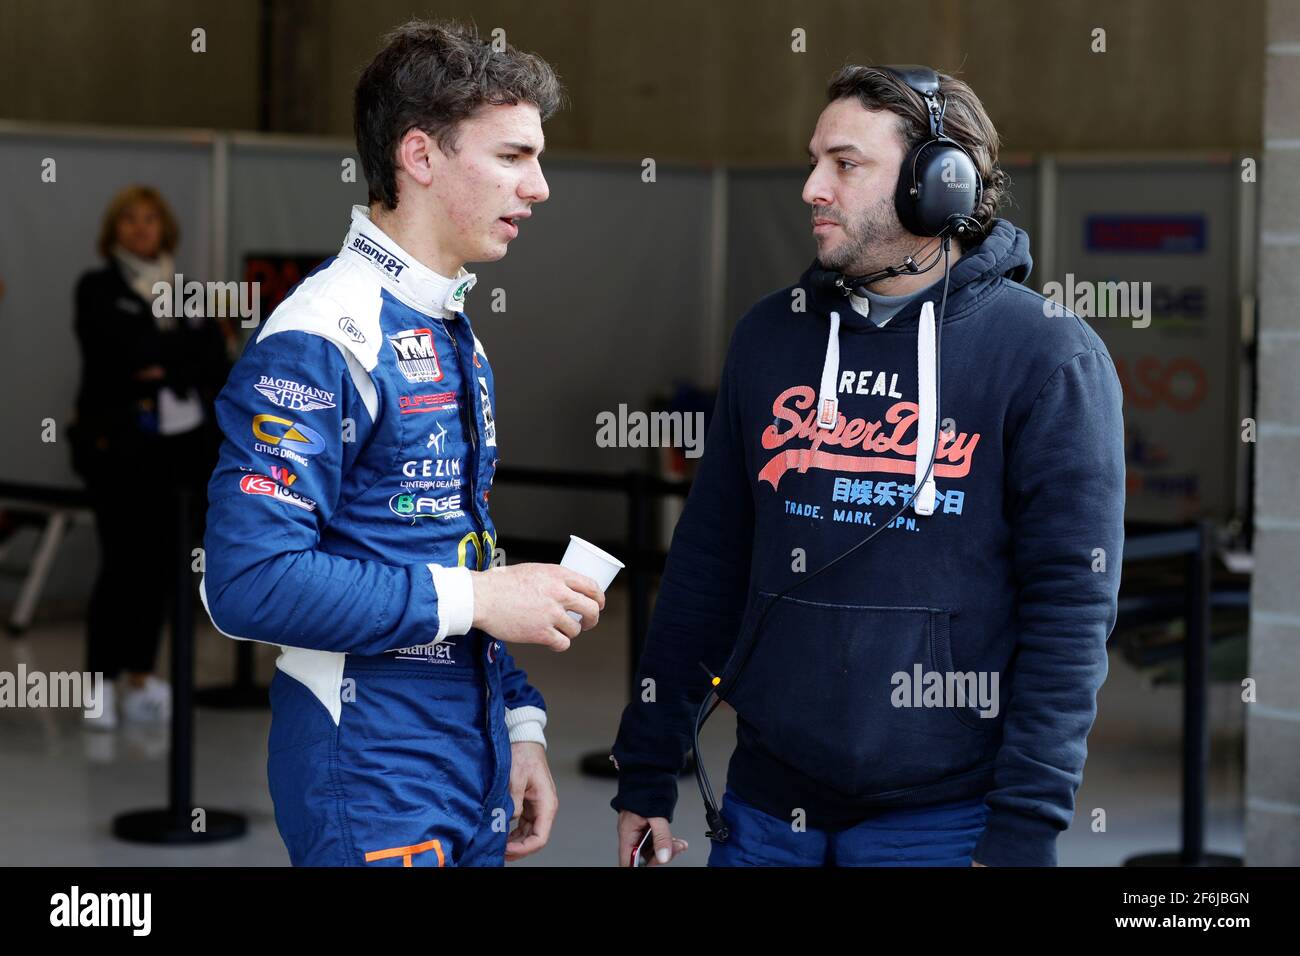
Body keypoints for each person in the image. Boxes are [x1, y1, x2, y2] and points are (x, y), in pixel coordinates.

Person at [610, 65, 1126, 867]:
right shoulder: (770, 336)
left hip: (948, 820)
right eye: (815, 161)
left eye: (845, 164)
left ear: (938, 183)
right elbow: (707, 562)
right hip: (763, 809)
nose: (813, 186)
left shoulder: (1049, 356)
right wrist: (646, 768)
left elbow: (1070, 612)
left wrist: (1026, 828)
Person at [201, 20, 604, 867]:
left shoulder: (453, 328)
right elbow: (247, 581)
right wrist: (483, 602)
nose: (539, 188)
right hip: (367, 759)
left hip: (469, 746)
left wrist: (520, 724)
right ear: (420, 156)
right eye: (512, 157)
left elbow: (456, 547)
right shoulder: (321, 333)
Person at [72, 185, 231, 731]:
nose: (141, 229)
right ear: (114, 230)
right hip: (120, 453)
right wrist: (168, 357)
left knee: (165, 569)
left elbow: (214, 359)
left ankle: (139, 676)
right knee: (121, 565)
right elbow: (118, 353)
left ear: (165, 229)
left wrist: (165, 362)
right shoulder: (97, 288)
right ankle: (99, 681)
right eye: (129, 220)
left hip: (182, 454)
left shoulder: (187, 291)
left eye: (150, 220)